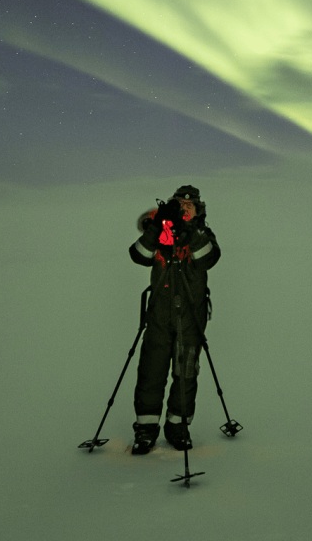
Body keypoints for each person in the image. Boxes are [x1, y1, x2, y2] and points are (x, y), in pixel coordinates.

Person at [128, 183, 220, 454]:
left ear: (199, 208)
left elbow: (208, 258)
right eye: (181, 204)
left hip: (191, 315)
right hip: (158, 314)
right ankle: (146, 429)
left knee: (186, 371)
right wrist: (158, 226)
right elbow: (139, 255)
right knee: (151, 370)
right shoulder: (159, 231)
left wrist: (189, 230)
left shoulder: (202, 233)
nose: (186, 208)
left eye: (191, 205)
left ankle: (177, 427)